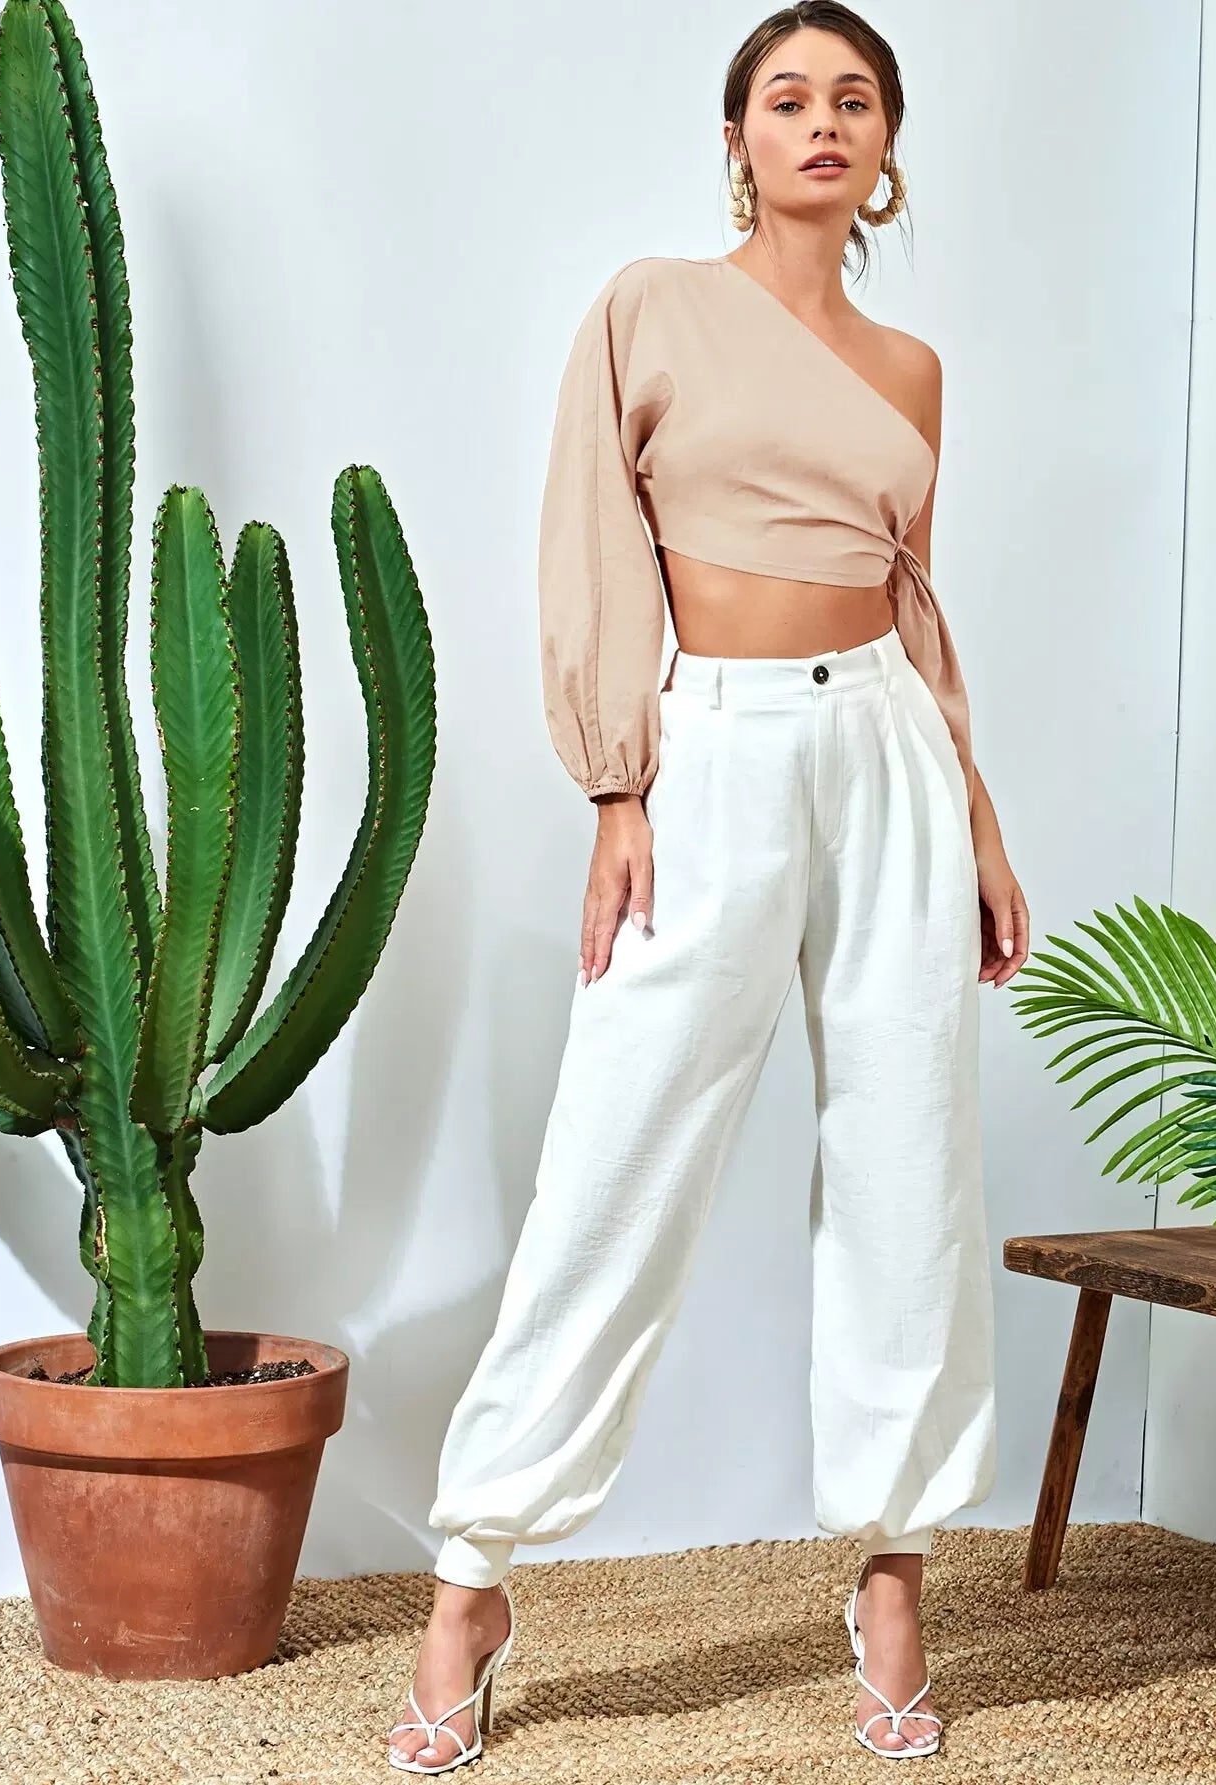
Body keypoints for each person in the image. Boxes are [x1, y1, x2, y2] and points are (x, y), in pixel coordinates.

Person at [389, 2, 1029, 1772]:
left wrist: (977, 817)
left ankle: (892, 1577)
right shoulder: (652, 306)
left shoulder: (912, 371)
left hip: (889, 750)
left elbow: (916, 605)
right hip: (715, 749)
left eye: (855, 100)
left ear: (884, 149)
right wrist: (618, 784)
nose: (823, 121)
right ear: (738, 136)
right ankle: (472, 1577)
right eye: (788, 96)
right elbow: (595, 541)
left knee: (909, 1159)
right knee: (619, 1151)